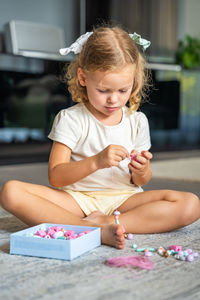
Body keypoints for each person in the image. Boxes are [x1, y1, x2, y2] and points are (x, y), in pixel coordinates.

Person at [0, 26, 199, 250]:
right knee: (11, 192)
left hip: (125, 199)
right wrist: (96, 161)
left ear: (134, 81)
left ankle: (107, 224)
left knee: (190, 204)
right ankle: (88, 228)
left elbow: (141, 181)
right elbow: (56, 177)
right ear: (83, 77)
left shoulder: (137, 120)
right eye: (104, 90)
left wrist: (142, 171)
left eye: (123, 90)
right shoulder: (70, 118)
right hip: (77, 200)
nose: (113, 100)